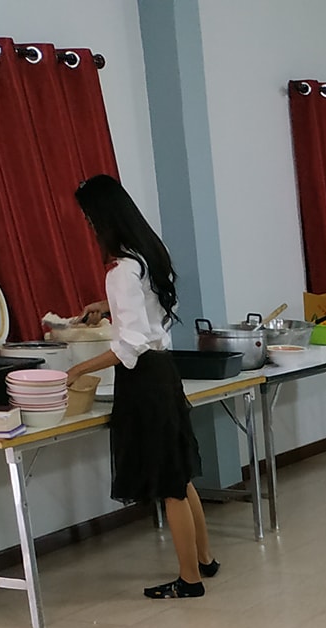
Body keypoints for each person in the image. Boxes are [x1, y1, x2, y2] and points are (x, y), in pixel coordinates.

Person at [67, 175, 213, 600]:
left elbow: (130, 344)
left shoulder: (120, 273)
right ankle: (204, 558)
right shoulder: (149, 256)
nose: (91, 229)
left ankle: (189, 580)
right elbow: (154, 317)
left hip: (144, 381)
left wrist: (76, 372)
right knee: (180, 477)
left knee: (169, 485)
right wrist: (105, 306)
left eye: (91, 221)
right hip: (165, 371)